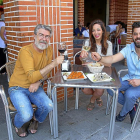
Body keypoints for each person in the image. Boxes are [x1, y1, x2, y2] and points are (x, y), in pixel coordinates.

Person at [8, 24, 64, 137]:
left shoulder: (48, 50)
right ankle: (18, 124)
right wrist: (54, 63)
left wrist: (38, 82)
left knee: (49, 105)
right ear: (34, 36)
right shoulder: (25, 51)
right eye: (41, 35)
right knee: (25, 114)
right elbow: (32, 76)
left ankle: (35, 119)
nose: (44, 39)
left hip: (34, 86)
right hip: (17, 87)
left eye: (47, 36)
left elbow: (46, 73)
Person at [91, 21, 140, 123]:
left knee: (130, 95)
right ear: (132, 35)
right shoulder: (128, 48)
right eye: (135, 34)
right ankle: (131, 106)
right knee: (110, 87)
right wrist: (100, 58)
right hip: (129, 79)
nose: (138, 37)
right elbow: (112, 59)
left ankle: (123, 113)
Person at [80, 19, 113, 111]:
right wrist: (82, 56)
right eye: (93, 30)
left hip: (102, 72)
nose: (96, 32)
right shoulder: (87, 43)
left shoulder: (108, 44)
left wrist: (92, 62)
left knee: (100, 91)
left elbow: (109, 64)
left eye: (98, 29)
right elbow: (83, 61)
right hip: (88, 71)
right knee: (85, 90)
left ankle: (93, 99)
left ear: (103, 31)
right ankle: (97, 96)